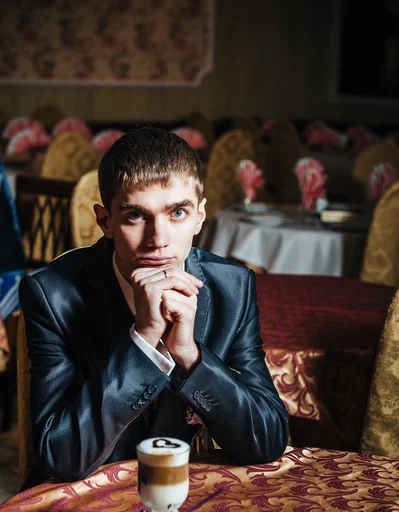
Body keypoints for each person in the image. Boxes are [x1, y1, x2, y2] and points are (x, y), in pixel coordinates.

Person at [19, 127, 288, 486]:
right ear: (105, 221)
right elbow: (60, 458)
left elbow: (267, 441)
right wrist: (144, 342)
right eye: (135, 216)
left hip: (188, 499)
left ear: (199, 216)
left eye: (177, 212)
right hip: (83, 495)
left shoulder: (232, 288)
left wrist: (190, 356)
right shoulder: (52, 294)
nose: (158, 240)